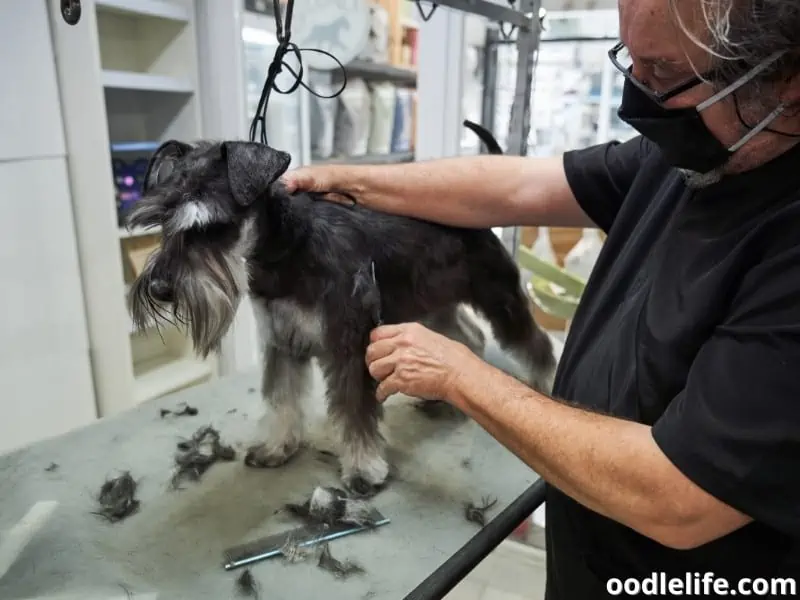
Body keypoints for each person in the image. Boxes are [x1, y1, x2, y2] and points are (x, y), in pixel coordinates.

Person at [281, 0, 800, 597]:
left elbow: (679, 498)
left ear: (782, 75)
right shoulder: (702, 152)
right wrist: (353, 180)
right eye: (629, 62)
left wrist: (461, 376)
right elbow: (523, 185)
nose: (639, 95)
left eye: (661, 72)